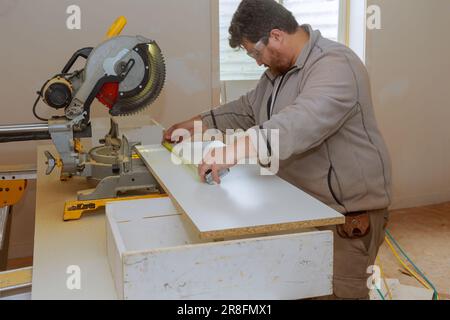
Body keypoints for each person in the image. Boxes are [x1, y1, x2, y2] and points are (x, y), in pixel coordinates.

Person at [163, 0, 391, 299]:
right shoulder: (278, 72)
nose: (258, 62)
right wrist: (192, 125)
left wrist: (232, 151)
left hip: (345, 218)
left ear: (276, 36)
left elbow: (300, 123)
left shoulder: (335, 65)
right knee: (302, 289)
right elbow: (246, 109)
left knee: (338, 293)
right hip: (305, 209)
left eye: (257, 53)